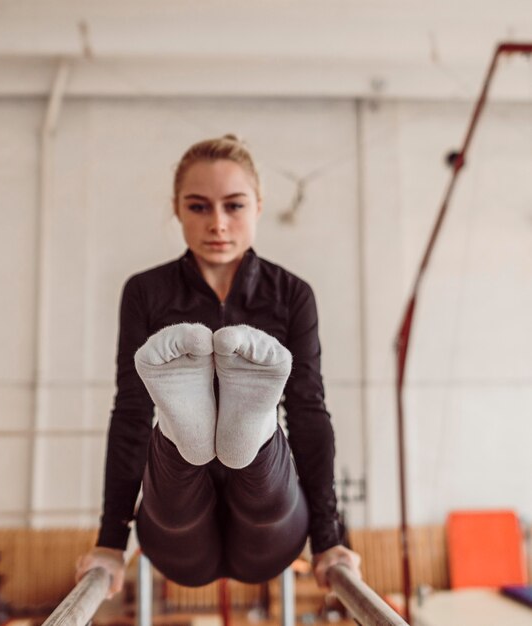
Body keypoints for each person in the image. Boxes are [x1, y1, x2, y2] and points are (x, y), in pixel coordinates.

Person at [76, 135, 360, 598]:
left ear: (259, 206)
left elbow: (308, 411)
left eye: (234, 206)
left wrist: (329, 539)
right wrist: (110, 541)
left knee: (263, 490)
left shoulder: (290, 295)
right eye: (199, 207)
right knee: (176, 495)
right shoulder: (146, 293)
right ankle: (186, 436)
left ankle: (251, 432)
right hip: (180, 530)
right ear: (176, 208)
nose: (218, 224)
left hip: (269, 525)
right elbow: (131, 413)